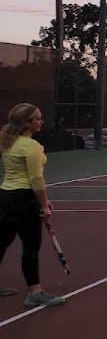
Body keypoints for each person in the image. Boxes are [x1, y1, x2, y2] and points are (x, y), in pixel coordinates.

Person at [0, 103, 65, 308]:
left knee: (1, 243)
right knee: (31, 247)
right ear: (28, 123)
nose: (41, 121)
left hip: (6, 196)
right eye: (38, 118)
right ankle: (35, 292)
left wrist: (43, 202)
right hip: (24, 199)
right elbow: (36, 179)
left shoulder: (10, 142)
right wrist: (44, 205)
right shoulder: (32, 146)